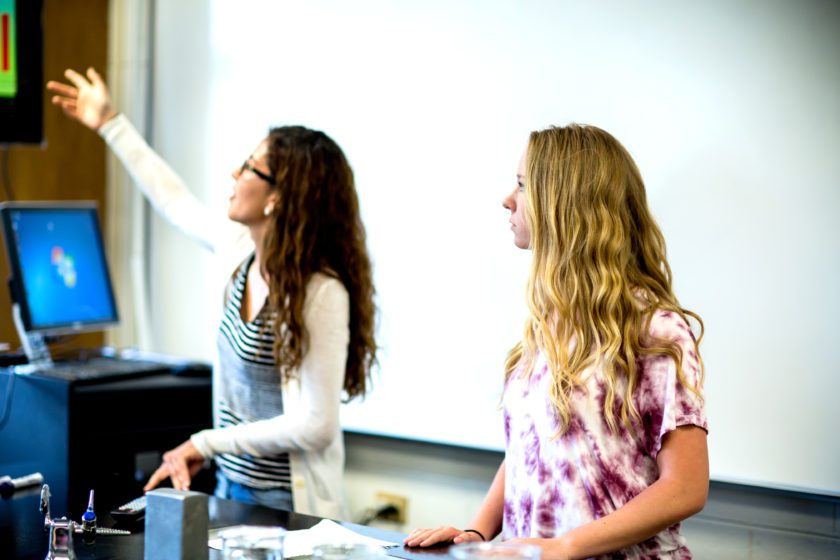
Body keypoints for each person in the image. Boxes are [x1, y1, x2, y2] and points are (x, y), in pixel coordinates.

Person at [46, 68, 377, 519]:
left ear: (277, 198)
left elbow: (316, 426)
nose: (234, 173)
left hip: (289, 508)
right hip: (231, 488)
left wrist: (206, 442)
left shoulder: (322, 293)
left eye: (250, 168)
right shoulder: (241, 252)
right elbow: (173, 200)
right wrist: (109, 123)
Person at [404, 124, 708, 559]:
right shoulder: (548, 323)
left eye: (523, 185)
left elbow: (686, 488)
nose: (508, 198)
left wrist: (565, 547)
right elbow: (528, 450)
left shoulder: (655, 330)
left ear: (565, 202)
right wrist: (477, 531)